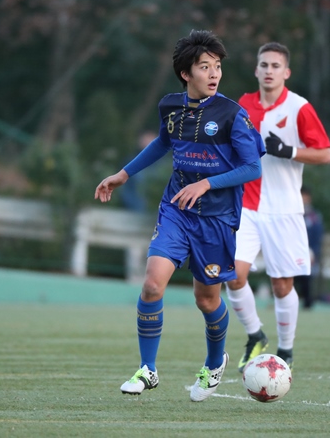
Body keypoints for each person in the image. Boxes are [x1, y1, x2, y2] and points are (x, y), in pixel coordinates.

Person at [94, 30, 265, 401]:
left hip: (217, 218)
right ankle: (148, 369)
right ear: (186, 73)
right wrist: (124, 174)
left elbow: (253, 167)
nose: (214, 73)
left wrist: (207, 184)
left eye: (217, 66)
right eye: (205, 67)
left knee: (206, 300)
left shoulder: (233, 115)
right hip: (177, 209)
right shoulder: (170, 107)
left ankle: (215, 362)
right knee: (152, 285)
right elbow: (162, 142)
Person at [226, 42, 330, 371]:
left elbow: (325, 154)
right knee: (233, 274)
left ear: (286, 73)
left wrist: (289, 151)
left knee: (282, 285)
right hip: (246, 205)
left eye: (275, 66)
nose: (269, 71)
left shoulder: (299, 108)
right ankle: (255, 335)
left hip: (284, 209)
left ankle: (285, 350)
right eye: (264, 65)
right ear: (256, 70)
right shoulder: (243, 105)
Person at [294, 186, 324, 309]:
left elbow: (317, 236)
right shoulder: (291, 213)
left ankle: (307, 304)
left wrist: (312, 252)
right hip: (292, 251)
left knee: (306, 278)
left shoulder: (314, 216)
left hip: (308, 252)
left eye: (305, 196)